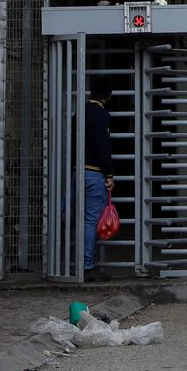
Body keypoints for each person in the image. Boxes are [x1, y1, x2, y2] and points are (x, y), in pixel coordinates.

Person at [82, 85, 114, 284]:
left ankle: (67, 263)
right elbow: (103, 146)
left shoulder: (80, 113)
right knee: (92, 221)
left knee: (74, 216)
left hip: (78, 173)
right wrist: (109, 173)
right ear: (108, 96)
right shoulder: (101, 115)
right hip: (94, 174)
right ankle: (87, 267)